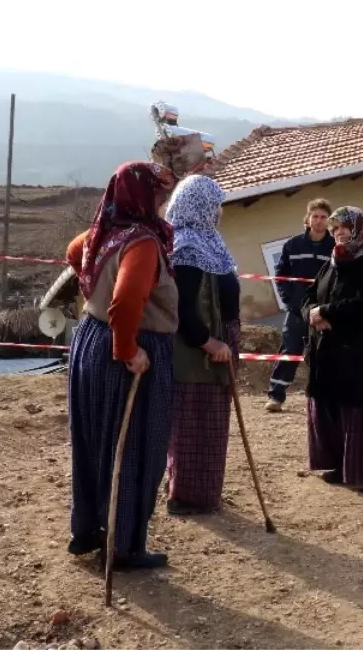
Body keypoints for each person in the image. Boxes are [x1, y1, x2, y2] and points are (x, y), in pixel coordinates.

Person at [65, 161, 178, 569]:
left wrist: (91, 284)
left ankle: (91, 530)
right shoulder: (143, 242)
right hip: (129, 351)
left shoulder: (106, 230)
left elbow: (74, 252)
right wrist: (129, 350)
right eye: (159, 194)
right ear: (144, 196)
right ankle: (125, 546)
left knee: (96, 442)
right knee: (134, 448)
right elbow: (127, 301)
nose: (163, 201)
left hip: (90, 342)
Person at [301, 206, 363, 491]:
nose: (339, 233)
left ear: (358, 229)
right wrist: (312, 314)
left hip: (357, 354)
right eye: (335, 229)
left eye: (345, 227)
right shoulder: (330, 263)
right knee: (331, 408)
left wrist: (327, 312)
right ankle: (341, 467)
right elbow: (308, 297)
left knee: (357, 411)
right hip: (327, 353)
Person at [164, 175, 241, 514]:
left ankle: (204, 492)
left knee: (211, 422)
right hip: (197, 353)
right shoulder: (188, 248)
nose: (220, 211)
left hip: (218, 343)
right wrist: (209, 343)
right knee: (194, 422)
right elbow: (182, 309)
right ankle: (186, 495)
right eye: (216, 204)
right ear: (200, 206)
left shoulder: (208, 241)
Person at [266, 198, 334, 412]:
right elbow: (280, 275)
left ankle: (323, 399)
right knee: (290, 350)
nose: (319, 221)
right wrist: (288, 300)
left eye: (323, 217)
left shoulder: (334, 248)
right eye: (315, 216)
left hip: (322, 311)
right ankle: (276, 397)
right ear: (308, 218)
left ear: (328, 221)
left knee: (323, 354)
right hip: (296, 311)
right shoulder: (293, 245)